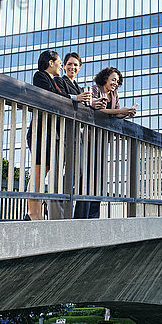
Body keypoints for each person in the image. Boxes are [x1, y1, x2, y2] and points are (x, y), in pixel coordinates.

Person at [24, 50, 79, 220]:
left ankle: (34, 212)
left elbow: (60, 96)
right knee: (39, 172)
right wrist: (75, 97)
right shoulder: (40, 76)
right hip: (39, 132)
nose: (61, 65)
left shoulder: (51, 80)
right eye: (60, 62)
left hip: (47, 132)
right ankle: (33, 213)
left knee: (43, 171)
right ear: (50, 62)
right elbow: (55, 96)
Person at [76, 67, 137, 219]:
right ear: (105, 78)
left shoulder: (114, 94)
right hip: (90, 138)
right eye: (113, 79)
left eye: (117, 81)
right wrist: (120, 111)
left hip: (103, 140)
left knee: (99, 179)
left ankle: (93, 216)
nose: (115, 83)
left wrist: (126, 113)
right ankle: (81, 216)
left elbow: (115, 116)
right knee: (88, 178)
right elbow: (99, 111)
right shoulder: (95, 90)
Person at [53, 52, 95, 219]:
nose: (72, 67)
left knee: (79, 169)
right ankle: (56, 210)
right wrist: (76, 98)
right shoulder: (59, 81)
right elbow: (58, 98)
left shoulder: (78, 87)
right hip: (62, 132)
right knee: (58, 171)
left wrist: (92, 104)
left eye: (76, 65)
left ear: (80, 68)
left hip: (77, 134)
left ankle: (63, 200)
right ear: (64, 65)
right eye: (69, 64)